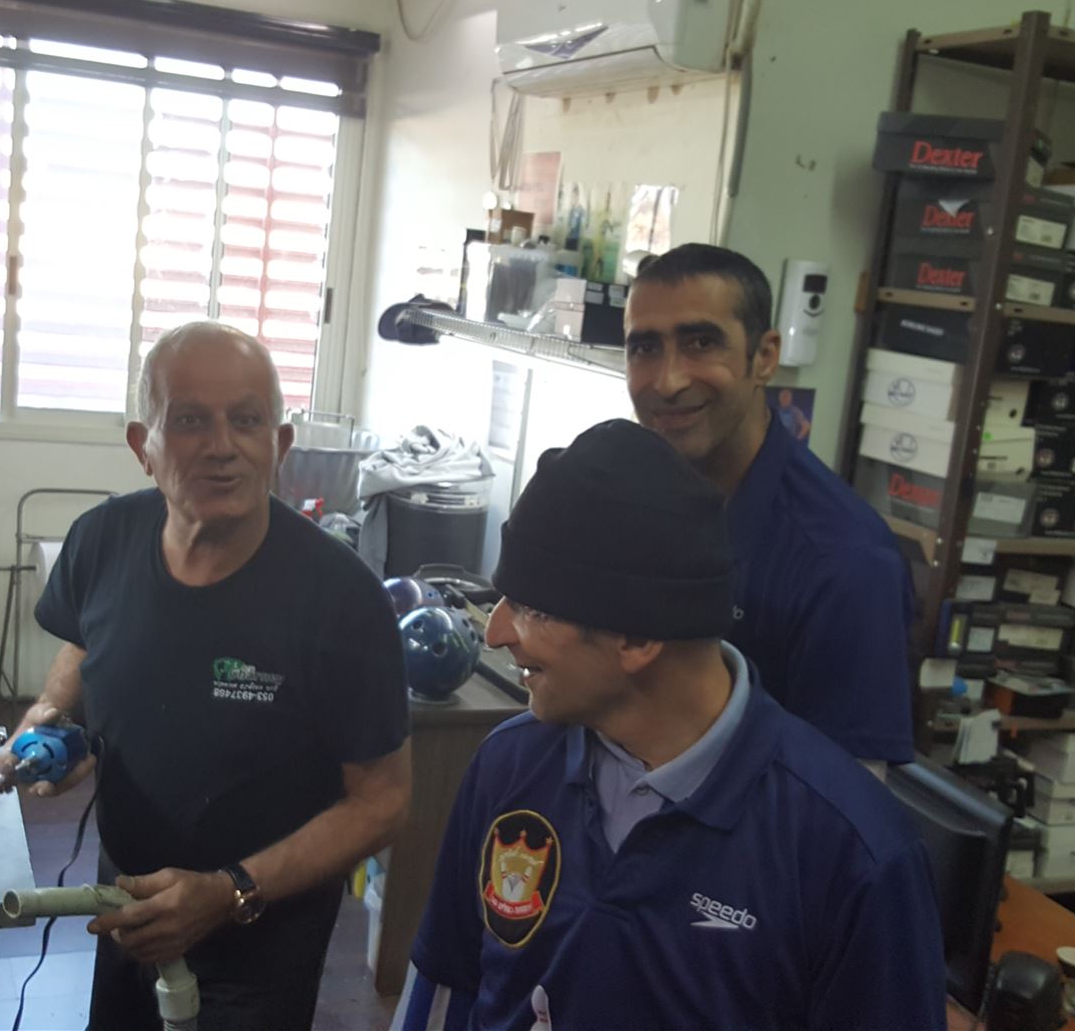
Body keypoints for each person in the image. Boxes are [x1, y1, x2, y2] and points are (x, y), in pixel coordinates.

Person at [396, 419, 945, 1031]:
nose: (497, 632)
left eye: (532, 608)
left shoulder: (853, 856)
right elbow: (446, 991)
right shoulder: (508, 765)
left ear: (637, 636)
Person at [0, 322, 412, 1030]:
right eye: (190, 421)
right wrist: (50, 719)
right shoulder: (101, 541)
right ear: (143, 447)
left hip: (259, 935)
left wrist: (229, 890)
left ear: (279, 445)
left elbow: (384, 802)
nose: (223, 446)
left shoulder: (342, 599)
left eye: (247, 421)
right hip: (124, 904)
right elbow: (85, 645)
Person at [623, 243, 915, 769]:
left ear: (764, 357)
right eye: (644, 348)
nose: (667, 381)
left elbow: (849, 800)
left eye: (701, 343)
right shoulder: (635, 499)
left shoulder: (847, 561)